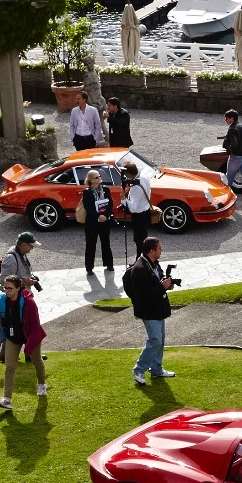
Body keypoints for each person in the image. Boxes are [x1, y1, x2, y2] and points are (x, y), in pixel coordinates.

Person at [124, 236, 176, 385]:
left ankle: (156, 369)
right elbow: (143, 295)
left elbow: (155, 285)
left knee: (160, 340)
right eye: (159, 248)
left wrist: (166, 285)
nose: (161, 250)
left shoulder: (152, 264)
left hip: (157, 308)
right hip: (148, 311)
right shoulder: (140, 269)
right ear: (152, 250)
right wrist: (162, 287)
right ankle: (139, 369)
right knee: (155, 340)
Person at [0, 275, 47, 408]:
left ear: (18, 288)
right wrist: (0, 331)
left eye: (10, 288)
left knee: (36, 360)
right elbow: (3, 318)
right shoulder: (3, 300)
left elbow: (35, 325)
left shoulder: (29, 302)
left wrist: (29, 346)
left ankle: (41, 384)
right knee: (9, 366)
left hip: (30, 334)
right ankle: (7, 399)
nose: (7, 291)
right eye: (5, 288)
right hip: (13, 336)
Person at [80, 169, 115, 275]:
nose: (99, 178)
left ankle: (109, 264)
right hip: (92, 222)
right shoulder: (87, 192)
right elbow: (88, 207)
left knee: (106, 243)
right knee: (91, 244)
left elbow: (110, 203)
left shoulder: (106, 189)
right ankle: (89, 268)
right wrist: (98, 216)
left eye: (99, 176)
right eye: (96, 177)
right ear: (90, 180)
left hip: (104, 221)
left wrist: (106, 215)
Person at [121, 160, 153, 252]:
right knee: (143, 238)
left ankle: (140, 260)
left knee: (139, 240)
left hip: (138, 216)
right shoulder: (144, 177)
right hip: (145, 211)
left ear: (129, 174)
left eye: (125, 174)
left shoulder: (136, 188)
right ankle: (141, 259)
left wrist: (123, 198)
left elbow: (133, 208)